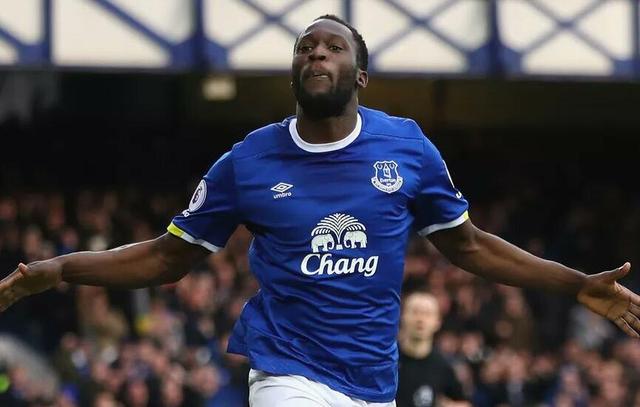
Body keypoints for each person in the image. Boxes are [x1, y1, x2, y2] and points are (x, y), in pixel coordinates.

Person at [1, 14, 639, 407]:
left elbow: (470, 246)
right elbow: (166, 259)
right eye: (306, 48)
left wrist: (578, 283)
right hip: (288, 372)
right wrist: (58, 270)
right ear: (293, 72)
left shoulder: (407, 147)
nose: (316, 54)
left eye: (333, 47)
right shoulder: (247, 162)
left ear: (359, 75)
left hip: (373, 380)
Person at [397, 289, 469, 407]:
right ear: (403, 316)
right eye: (415, 312)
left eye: (427, 314)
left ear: (438, 321)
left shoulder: (442, 366)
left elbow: (464, 403)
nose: (420, 319)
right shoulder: (387, 360)